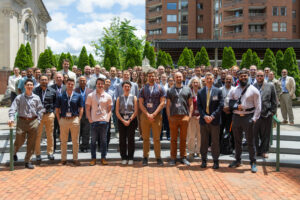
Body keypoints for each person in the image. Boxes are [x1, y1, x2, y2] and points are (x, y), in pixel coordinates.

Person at [228, 70, 261, 173]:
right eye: (241, 76)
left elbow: (258, 106)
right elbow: (229, 101)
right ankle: (237, 160)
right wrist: (234, 106)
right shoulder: (234, 90)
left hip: (248, 117)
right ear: (238, 77)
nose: (243, 77)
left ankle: (253, 162)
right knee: (237, 141)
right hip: (237, 117)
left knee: (250, 142)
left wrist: (254, 119)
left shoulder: (254, 90)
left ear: (248, 77)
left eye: (245, 76)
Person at [8, 79, 44, 169]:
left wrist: (39, 120)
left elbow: (40, 109)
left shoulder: (36, 97)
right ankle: (14, 152)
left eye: (31, 85)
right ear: (24, 86)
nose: (29, 86)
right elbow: (12, 109)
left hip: (33, 121)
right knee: (19, 140)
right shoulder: (19, 97)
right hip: (22, 121)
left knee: (31, 143)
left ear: (33, 86)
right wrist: (11, 118)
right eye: (27, 84)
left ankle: (28, 161)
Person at [139, 69, 166, 166]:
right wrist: (147, 114)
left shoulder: (160, 88)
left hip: (157, 116)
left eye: (152, 76)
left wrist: (154, 114)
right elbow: (141, 103)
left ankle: (158, 157)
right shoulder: (142, 89)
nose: (151, 77)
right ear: (147, 77)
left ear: (155, 77)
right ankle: (145, 157)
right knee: (145, 138)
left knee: (156, 138)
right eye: (149, 76)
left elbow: (162, 103)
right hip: (145, 116)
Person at [197, 72, 223, 169]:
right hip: (204, 121)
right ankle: (204, 160)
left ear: (213, 80)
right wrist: (204, 116)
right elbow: (199, 106)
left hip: (215, 121)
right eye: (207, 78)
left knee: (215, 142)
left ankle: (216, 161)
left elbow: (221, 105)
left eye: (211, 78)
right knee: (204, 142)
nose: (209, 80)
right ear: (205, 80)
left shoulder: (218, 91)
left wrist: (212, 116)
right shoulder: (200, 92)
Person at [166, 72, 193, 166]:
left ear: (183, 78)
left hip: (184, 117)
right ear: (174, 78)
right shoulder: (170, 90)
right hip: (173, 117)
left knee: (183, 139)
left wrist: (189, 116)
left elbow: (191, 104)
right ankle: (173, 158)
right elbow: (168, 105)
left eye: (180, 76)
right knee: (173, 139)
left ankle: (183, 157)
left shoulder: (188, 89)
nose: (178, 78)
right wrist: (169, 117)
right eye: (176, 77)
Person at [55, 78, 83, 166]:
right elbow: (57, 109)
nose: (70, 85)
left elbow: (81, 108)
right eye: (69, 84)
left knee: (75, 141)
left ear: (74, 85)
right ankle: (63, 159)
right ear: (66, 85)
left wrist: (79, 118)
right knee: (63, 141)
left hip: (74, 119)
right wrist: (59, 120)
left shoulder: (78, 96)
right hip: (64, 120)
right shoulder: (60, 96)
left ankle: (75, 159)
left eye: (72, 84)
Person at [86, 78, 112, 166]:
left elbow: (109, 110)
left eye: (101, 84)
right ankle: (93, 158)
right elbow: (87, 108)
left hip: (104, 122)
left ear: (104, 85)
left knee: (104, 141)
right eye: (98, 84)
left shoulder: (108, 96)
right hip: (94, 122)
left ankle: (103, 158)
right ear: (96, 84)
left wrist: (107, 119)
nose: (100, 85)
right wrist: (89, 119)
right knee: (93, 141)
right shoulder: (90, 95)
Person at [254, 70, 277, 158]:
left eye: (261, 76)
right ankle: (257, 150)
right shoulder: (253, 86)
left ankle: (264, 150)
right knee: (255, 134)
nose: (260, 77)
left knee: (265, 134)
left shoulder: (270, 85)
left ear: (264, 76)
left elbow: (274, 100)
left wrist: (272, 112)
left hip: (266, 114)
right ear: (256, 77)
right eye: (258, 76)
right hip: (255, 115)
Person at [33, 75, 57, 162]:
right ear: (39, 81)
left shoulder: (53, 91)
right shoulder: (35, 91)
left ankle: (50, 153)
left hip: (49, 114)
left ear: (48, 80)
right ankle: (38, 154)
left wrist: (53, 112)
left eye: (45, 80)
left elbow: (56, 102)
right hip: (38, 115)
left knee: (50, 135)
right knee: (38, 135)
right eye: (42, 79)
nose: (44, 81)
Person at [116, 81, 138, 165]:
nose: (127, 88)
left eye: (128, 86)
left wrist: (129, 120)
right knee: (122, 139)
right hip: (121, 119)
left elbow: (136, 111)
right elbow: (117, 112)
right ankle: (124, 157)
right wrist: (123, 120)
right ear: (122, 87)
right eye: (125, 86)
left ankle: (131, 157)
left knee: (131, 139)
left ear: (130, 87)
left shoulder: (134, 97)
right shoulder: (119, 98)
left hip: (131, 120)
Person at [74, 76, 93, 152]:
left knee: (86, 131)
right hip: (77, 113)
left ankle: (85, 147)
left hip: (87, 113)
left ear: (86, 82)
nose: (82, 82)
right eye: (81, 80)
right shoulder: (75, 90)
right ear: (78, 82)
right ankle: (76, 147)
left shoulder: (90, 91)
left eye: (84, 80)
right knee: (77, 131)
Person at [187, 77, 202, 161]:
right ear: (191, 84)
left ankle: (198, 151)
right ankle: (191, 151)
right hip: (191, 117)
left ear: (199, 84)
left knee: (200, 135)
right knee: (191, 135)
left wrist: (200, 115)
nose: (195, 84)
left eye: (197, 82)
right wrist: (190, 115)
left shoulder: (201, 92)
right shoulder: (189, 93)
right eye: (194, 82)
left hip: (200, 117)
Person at [50, 73, 66, 152]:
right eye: (57, 77)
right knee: (53, 131)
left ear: (63, 78)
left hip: (63, 113)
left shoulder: (67, 88)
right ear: (54, 79)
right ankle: (53, 148)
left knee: (63, 131)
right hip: (53, 113)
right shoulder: (50, 88)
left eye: (60, 77)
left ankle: (63, 148)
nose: (59, 79)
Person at [220, 75, 235, 149]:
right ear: (224, 80)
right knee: (220, 129)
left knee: (231, 130)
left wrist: (230, 108)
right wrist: (223, 108)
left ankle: (232, 147)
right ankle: (220, 146)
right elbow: (218, 101)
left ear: (232, 81)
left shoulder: (235, 90)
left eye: (230, 79)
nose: (228, 80)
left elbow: (236, 101)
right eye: (227, 79)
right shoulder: (220, 89)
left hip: (231, 113)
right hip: (222, 112)